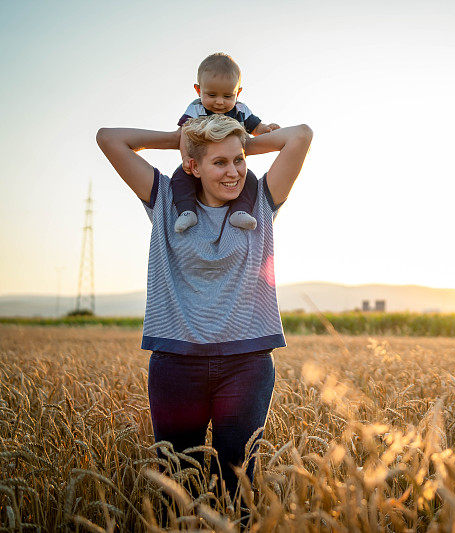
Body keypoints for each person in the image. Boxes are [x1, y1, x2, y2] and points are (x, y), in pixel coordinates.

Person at [96, 114, 312, 520]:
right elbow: (108, 138)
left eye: (239, 160)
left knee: (239, 485)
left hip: (246, 366)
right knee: (176, 487)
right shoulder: (163, 199)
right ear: (192, 166)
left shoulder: (262, 201)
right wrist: (180, 140)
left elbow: (301, 135)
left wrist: (240, 140)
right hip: (176, 365)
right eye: (219, 163)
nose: (233, 172)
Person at [172, 53, 280, 233]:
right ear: (199, 90)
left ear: (238, 93)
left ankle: (240, 211)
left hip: (225, 164)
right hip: (199, 161)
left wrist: (266, 129)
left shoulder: (240, 110)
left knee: (250, 180)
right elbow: (184, 133)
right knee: (180, 178)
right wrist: (185, 157)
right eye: (212, 95)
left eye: (228, 96)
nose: (220, 102)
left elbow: (256, 127)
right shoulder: (196, 108)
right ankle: (186, 211)